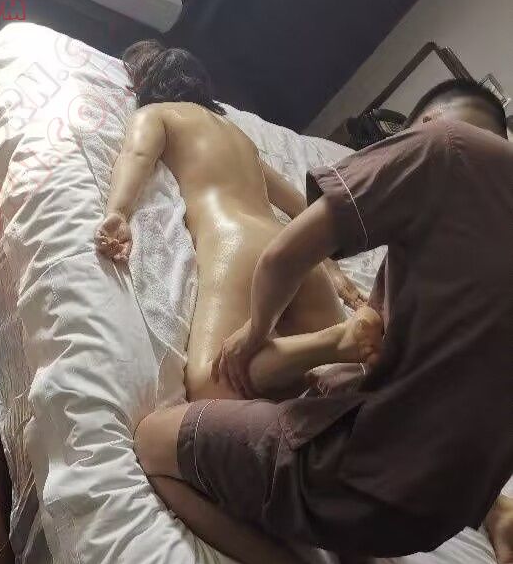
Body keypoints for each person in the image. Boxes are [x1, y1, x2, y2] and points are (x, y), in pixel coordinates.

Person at [134, 78, 513, 564]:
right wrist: (494, 506)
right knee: (331, 384)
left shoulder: (440, 148)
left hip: (360, 480)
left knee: (158, 438)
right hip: (432, 520)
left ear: (426, 126)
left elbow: (283, 255)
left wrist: (256, 331)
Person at [96, 40, 381, 403]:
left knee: (210, 383)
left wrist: (118, 212)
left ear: (140, 85)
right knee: (333, 379)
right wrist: (332, 270)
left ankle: (336, 341)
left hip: (235, 241)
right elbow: (301, 206)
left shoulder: (157, 114)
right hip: (292, 246)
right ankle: (336, 342)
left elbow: (136, 155)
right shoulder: (239, 136)